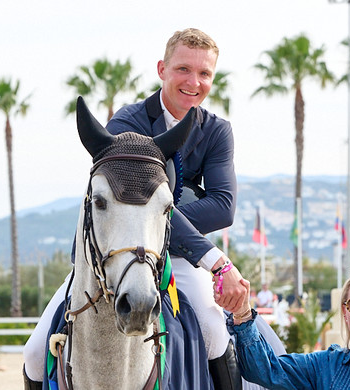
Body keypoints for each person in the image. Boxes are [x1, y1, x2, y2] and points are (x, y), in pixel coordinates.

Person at [23, 28, 248, 390]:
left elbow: (223, 207)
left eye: (204, 73)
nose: (194, 82)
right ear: (162, 69)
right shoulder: (127, 125)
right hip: (108, 256)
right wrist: (213, 258)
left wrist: (150, 221)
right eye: (183, 70)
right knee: (35, 353)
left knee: (213, 333)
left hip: (177, 259)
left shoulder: (218, 131)